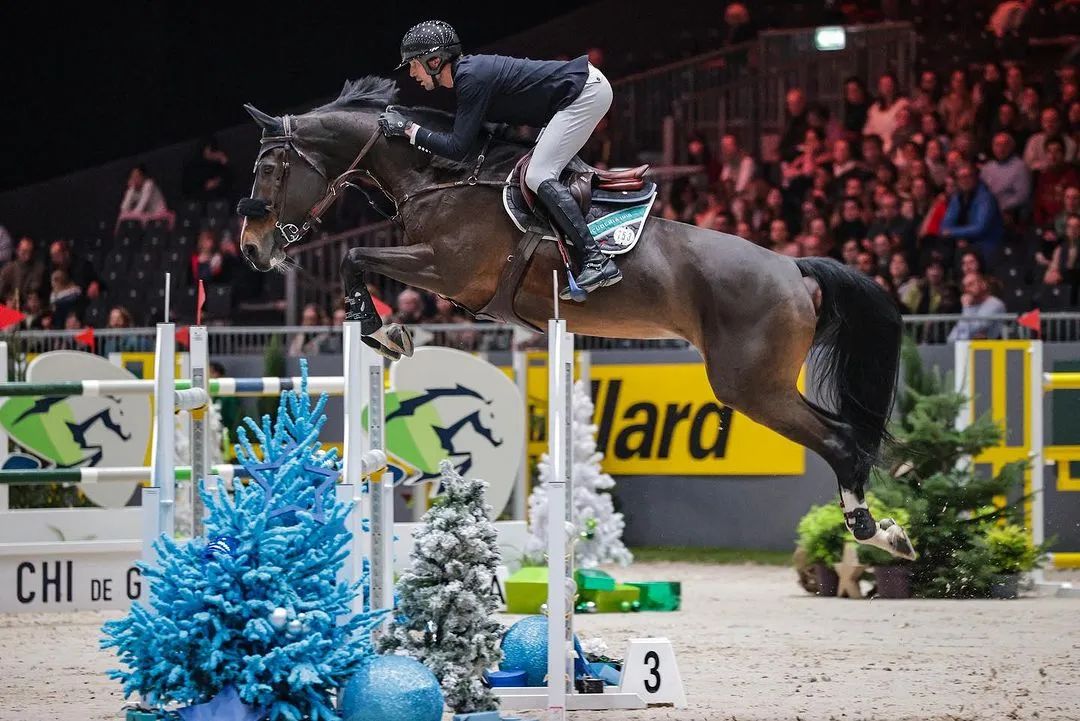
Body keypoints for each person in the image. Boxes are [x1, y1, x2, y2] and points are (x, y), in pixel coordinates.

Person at [378, 20, 620, 300]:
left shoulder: (471, 78)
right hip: (574, 95)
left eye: (413, 64)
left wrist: (408, 130)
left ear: (434, 61)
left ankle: (596, 259)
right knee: (533, 170)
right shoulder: (469, 76)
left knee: (538, 175)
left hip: (582, 93)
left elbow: (457, 147)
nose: (411, 73)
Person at [941, 163, 1005, 265]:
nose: (964, 180)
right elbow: (945, 225)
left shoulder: (985, 198)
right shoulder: (957, 197)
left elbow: (980, 228)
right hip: (965, 242)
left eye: (968, 176)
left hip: (986, 243)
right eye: (961, 177)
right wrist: (958, 236)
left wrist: (955, 233)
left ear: (975, 177)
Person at [980, 132, 1031, 218]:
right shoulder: (987, 167)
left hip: (1010, 212)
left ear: (1011, 147)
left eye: (1005, 145)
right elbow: (981, 191)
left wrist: (999, 207)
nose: (1001, 148)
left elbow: (1022, 196)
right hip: (987, 209)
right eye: (997, 145)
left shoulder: (1020, 167)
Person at [947, 272, 1008, 341]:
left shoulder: (995, 304)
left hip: (989, 346)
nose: (967, 289)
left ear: (983, 284)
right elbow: (954, 336)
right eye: (965, 286)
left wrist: (967, 308)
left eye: (971, 284)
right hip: (967, 345)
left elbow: (975, 329)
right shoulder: (971, 304)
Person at [181, 137, 234, 203]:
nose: (212, 153)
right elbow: (188, 188)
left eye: (213, 149)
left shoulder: (217, 164)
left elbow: (230, 179)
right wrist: (204, 186)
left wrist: (225, 162)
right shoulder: (193, 165)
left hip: (220, 199)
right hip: (198, 200)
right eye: (209, 149)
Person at [0, 236, 45, 306]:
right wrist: (8, 299)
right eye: (24, 252)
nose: (28, 256)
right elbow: (1, 292)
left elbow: (42, 292)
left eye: (30, 252)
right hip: (11, 307)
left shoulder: (39, 269)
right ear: (17, 251)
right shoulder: (8, 270)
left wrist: (36, 299)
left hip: (32, 308)